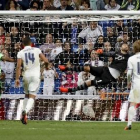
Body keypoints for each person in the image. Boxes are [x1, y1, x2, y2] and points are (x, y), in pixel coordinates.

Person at [59, 43, 130, 94]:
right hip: (106, 69)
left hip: (109, 77)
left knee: (90, 83)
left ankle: (70, 90)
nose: (126, 46)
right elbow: (108, 54)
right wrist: (100, 53)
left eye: (127, 45)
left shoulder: (129, 56)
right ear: (121, 47)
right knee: (87, 68)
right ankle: (66, 69)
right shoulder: (116, 53)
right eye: (124, 45)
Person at [15, 37, 48, 125]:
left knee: (26, 94)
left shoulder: (20, 53)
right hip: (35, 75)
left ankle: (23, 114)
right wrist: (44, 67)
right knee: (32, 96)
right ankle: (25, 111)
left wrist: (17, 79)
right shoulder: (37, 50)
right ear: (31, 43)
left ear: (22, 45)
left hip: (26, 75)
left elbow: (18, 67)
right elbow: (46, 60)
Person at [124, 40, 140, 130]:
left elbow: (129, 74)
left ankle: (129, 124)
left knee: (133, 104)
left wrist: (128, 82)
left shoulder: (131, 59)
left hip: (137, 84)